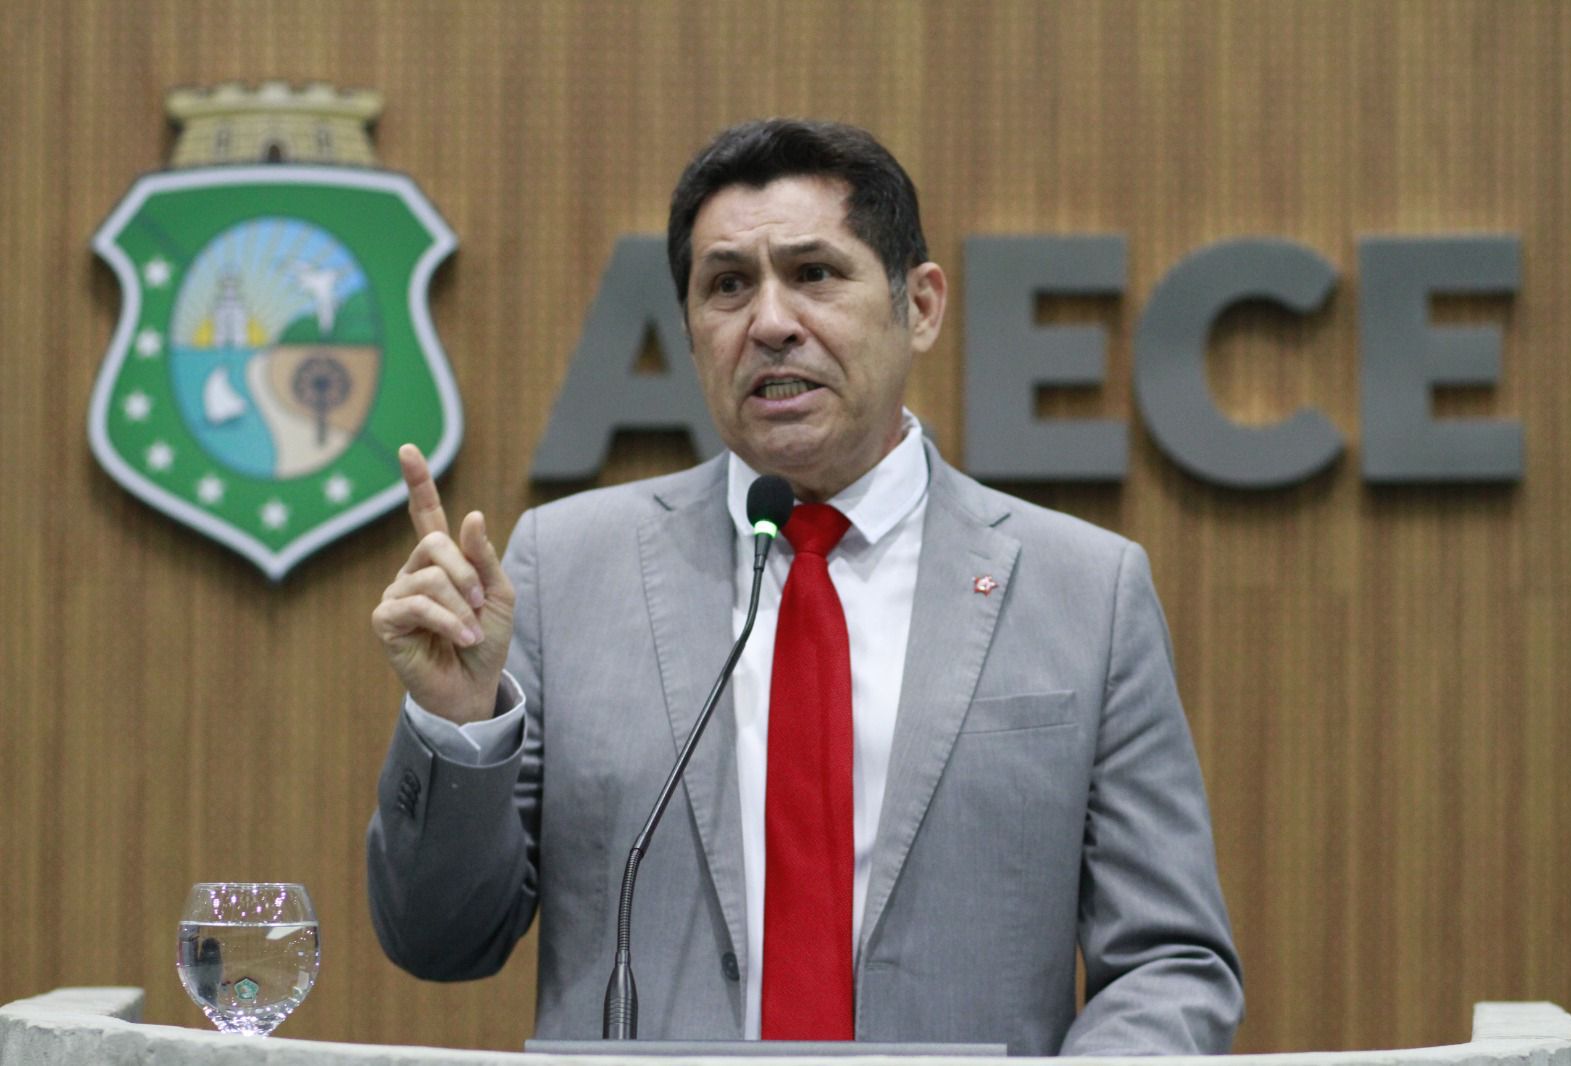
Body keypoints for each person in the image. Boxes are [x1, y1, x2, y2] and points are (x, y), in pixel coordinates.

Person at [367, 118, 1243, 1054]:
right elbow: (441, 940)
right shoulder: (567, 566)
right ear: (691, 332)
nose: (771, 323)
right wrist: (458, 726)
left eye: (815, 273)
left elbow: (1168, 961)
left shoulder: (1085, 591)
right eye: (727, 286)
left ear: (920, 306)